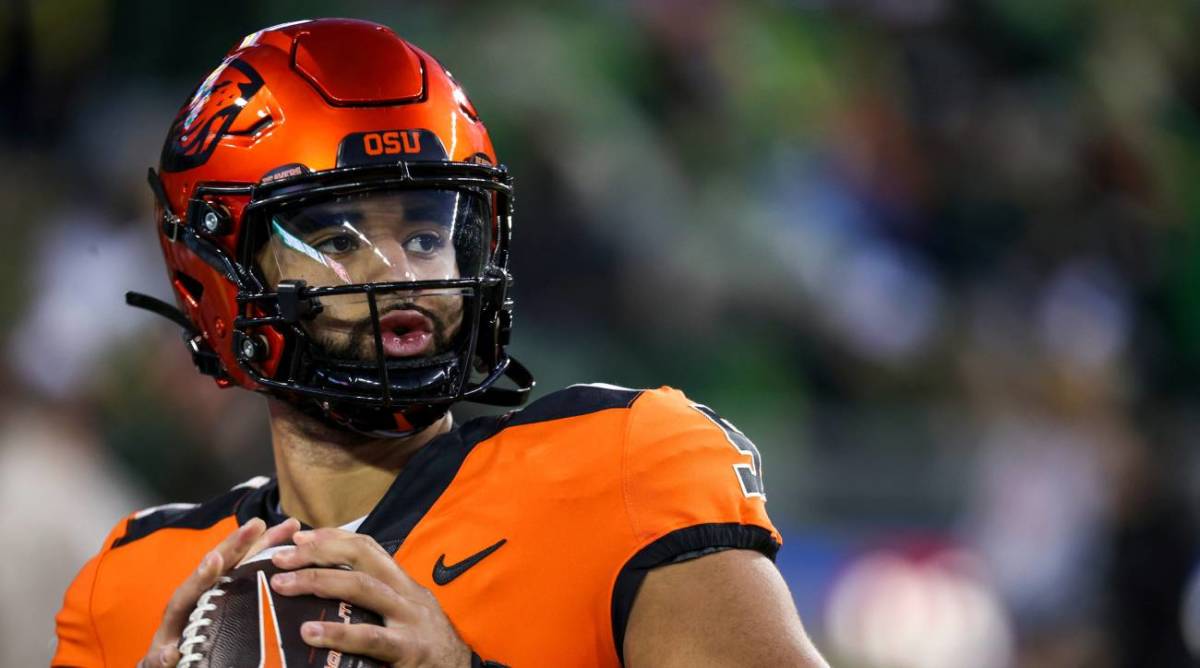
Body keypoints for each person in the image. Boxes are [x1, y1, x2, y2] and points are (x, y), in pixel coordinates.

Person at [53, 18, 829, 667]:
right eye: (337, 237)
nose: (399, 274)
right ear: (217, 277)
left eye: (427, 235)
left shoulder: (625, 469)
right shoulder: (129, 588)